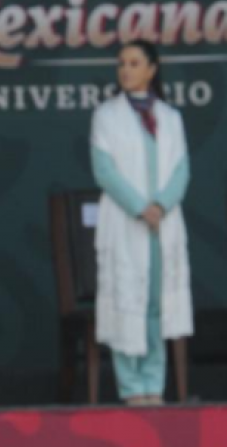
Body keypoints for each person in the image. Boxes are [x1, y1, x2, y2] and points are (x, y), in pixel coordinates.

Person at [91, 40, 192, 406]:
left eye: (134, 63)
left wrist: (161, 205)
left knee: (155, 304)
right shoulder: (106, 116)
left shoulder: (170, 117)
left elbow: (181, 169)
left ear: (151, 69)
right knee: (125, 301)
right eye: (122, 63)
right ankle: (132, 389)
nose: (126, 70)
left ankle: (154, 384)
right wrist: (140, 207)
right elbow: (105, 171)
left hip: (162, 224)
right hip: (127, 222)